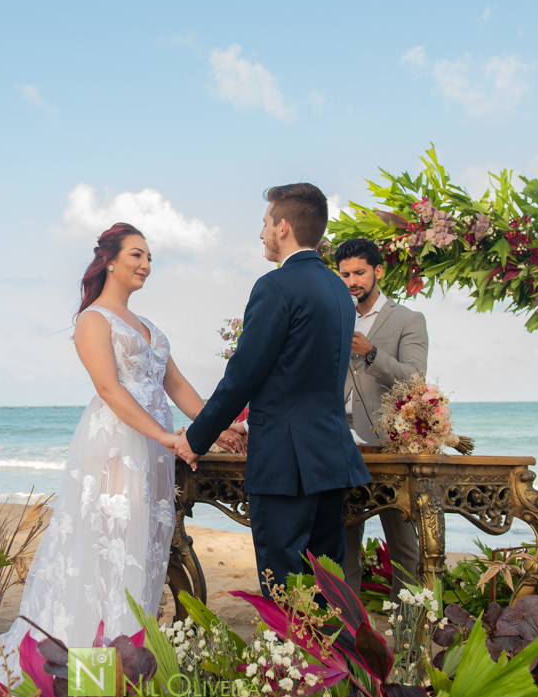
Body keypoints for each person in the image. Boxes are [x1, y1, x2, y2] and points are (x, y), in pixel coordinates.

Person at [0, 223, 243, 696]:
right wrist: (166, 436)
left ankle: (126, 661)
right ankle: (95, 663)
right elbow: (109, 389)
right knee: (110, 551)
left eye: (150, 257)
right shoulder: (93, 320)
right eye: (136, 254)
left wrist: (217, 428)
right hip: (117, 448)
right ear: (109, 261)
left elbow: (177, 387)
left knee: (144, 548)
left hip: (154, 454)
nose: (146, 265)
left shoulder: (150, 327)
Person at [177, 184, 370, 593]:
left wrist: (196, 438)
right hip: (330, 456)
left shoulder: (276, 286)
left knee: (282, 585)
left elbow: (243, 375)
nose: (261, 233)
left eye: (265, 223)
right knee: (328, 585)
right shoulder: (338, 288)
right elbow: (302, 376)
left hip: (286, 462)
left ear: (283, 227)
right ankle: (333, 639)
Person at [334, 237, 428, 600]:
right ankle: (346, 624)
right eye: (345, 275)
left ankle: (407, 623)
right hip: (339, 439)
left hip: (387, 443)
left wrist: (372, 353)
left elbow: (416, 381)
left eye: (359, 273)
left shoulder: (408, 319)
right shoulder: (336, 318)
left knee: (402, 541)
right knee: (343, 542)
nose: (352, 281)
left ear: (378, 271)